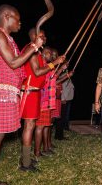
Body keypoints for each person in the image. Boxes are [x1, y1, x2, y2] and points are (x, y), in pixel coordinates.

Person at [0, 4, 43, 181]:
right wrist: (34, 47)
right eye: (17, 19)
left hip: (8, 95)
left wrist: (23, 86)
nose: (20, 23)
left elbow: (18, 70)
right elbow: (13, 63)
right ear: (6, 16)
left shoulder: (9, 39)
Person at [20, 29, 64, 170]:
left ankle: (26, 158)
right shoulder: (31, 50)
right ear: (34, 36)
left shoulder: (36, 52)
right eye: (42, 35)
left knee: (31, 126)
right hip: (29, 91)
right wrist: (54, 62)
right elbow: (37, 72)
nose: (45, 38)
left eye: (45, 35)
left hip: (35, 92)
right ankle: (25, 162)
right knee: (29, 126)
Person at [55, 68, 74, 140]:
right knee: (61, 118)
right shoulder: (62, 77)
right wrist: (63, 98)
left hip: (66, 99)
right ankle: (59, 136)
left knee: (63, 117)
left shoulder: (66, 76)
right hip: (63, 100)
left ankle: (60, 134)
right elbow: (63, 88)